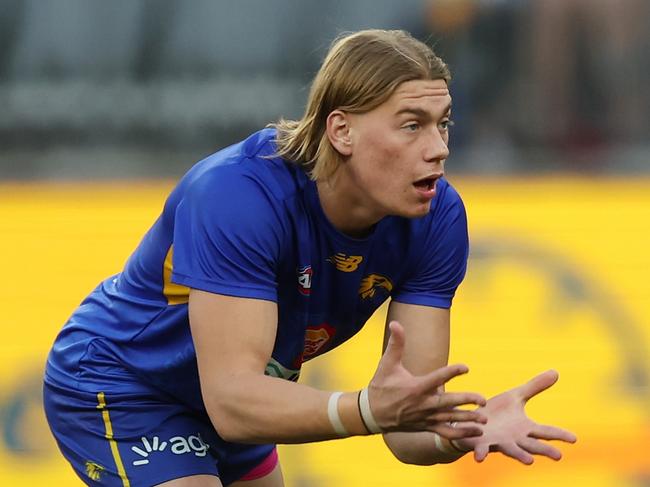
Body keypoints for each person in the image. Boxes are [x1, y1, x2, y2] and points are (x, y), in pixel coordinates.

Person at [43, 29, 576, 487]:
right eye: (412, 124)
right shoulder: (237, 196)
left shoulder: (437, 218)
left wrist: (461, 432)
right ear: (340, 130)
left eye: (444, 124)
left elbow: (406, 430)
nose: (438, 147)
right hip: (121, 380)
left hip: (248, 401)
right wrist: (368, 409)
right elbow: (232, 401)